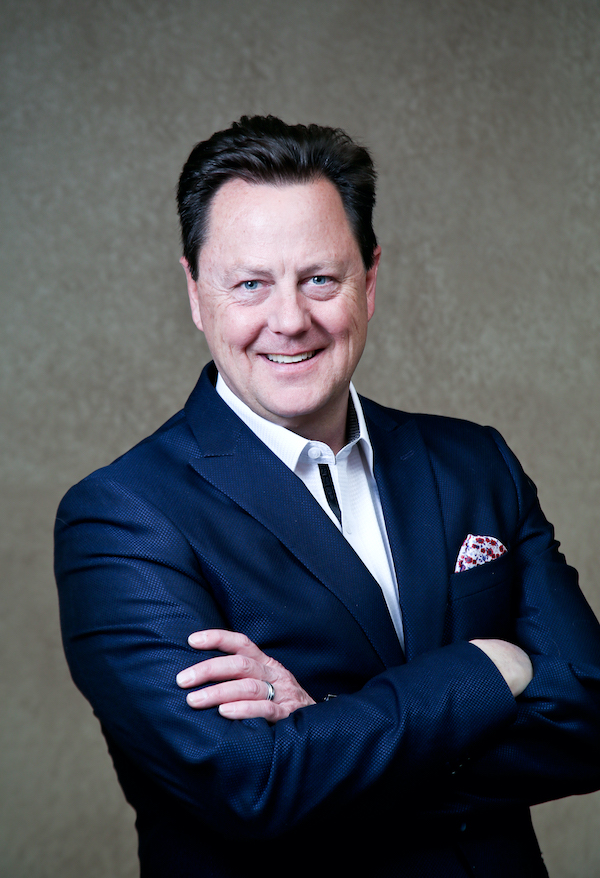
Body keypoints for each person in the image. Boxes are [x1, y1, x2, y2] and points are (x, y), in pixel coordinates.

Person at [55, 115, 600, 878]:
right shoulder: (122, 518)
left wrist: (331, 738)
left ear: (369, 282)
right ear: (195, 291)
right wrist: (488, 668)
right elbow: (254, 785)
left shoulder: (477, 461)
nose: (290, 320)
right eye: (250, 284)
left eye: (320, 279)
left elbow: (590, 714)